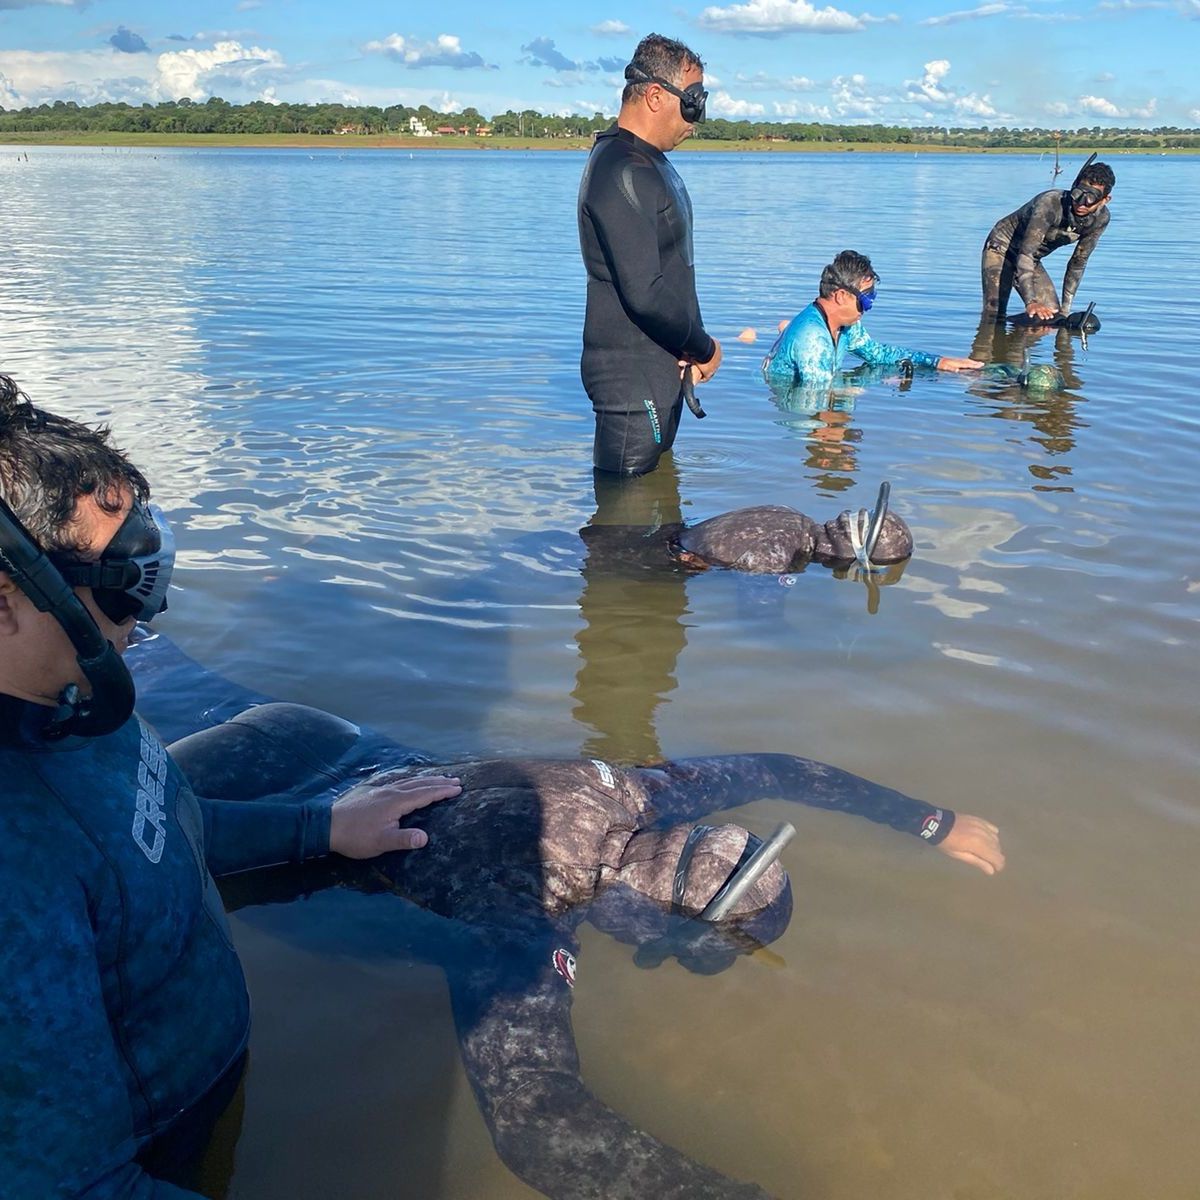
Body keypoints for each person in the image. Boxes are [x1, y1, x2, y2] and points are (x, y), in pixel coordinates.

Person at [129, 631, 1007, 1200]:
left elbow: (782, 766)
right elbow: (540, 1127)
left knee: (128, 657)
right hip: (215, 809)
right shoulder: (523, 920)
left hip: (303, 732)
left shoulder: (640, 789)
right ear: (660, 927)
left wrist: (932, 821)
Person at [0, 376, 461, 1198]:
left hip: (216, 1089)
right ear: (7, 599)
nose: (145, 613)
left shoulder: (71, 704)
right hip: (165, 1151)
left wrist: (319, 827)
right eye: (124, 579)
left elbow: (152, 827)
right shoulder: (15, 867)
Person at [578, 33, 722, 476]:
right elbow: (645, 291)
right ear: (657, 96)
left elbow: (672, 272)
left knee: (659, 522)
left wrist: (688, 346)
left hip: (660, 369)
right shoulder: (621, 169)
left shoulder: (647, 163)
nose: (698, 117)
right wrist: (704, 347)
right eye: (693, 101)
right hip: (632, 381)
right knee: (622, 531)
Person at [762, 250, 981, 390]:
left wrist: (936, 362)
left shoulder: (846, 326)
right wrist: (865, 384)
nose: (869, 307)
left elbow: (879, 354)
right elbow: (817, 401)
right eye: (866, 299)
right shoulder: (812, 338)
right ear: (840, 296)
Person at [981, 154, 1115, 322]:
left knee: (1052, 316)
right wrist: (1031, 302)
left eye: (1090, 199)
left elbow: (1078, 263)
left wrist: (1066, 311)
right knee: (994, 313)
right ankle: (990, 339)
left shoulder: (1100, 220)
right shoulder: (1050, 204)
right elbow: (1026, 253)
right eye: (1078, 194)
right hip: (1001, 249)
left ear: (1105, 200)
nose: (1081, 203)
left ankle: (1016, 345)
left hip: (1032, 260)